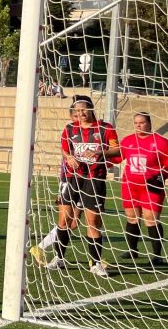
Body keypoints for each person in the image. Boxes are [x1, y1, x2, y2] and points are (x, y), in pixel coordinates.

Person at [33, 95, 120, 275]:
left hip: (95, 179)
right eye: (77, 111)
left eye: (84, 110)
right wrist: (69, 157)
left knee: (93, 222)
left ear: (91, 109)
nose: (81, 114)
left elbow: (117, 149)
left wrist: (99, 150)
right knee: (64, 221)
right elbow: (65, 150)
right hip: (72, 179)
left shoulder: (105, 128)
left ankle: (95, 263)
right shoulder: (69, 128)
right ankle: (59, 258)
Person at [118, 112, 168, 266]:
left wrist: (163, 175)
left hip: (151, 187)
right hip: (130, 186)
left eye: (142, 122)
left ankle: (157, 255)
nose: (138, 125)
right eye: (136, 123)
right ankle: (132, 250)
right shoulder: (128, 141)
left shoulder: (161, 142)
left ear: (149, 124)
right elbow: (116, 157)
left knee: (151, 219)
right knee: (132, 218)